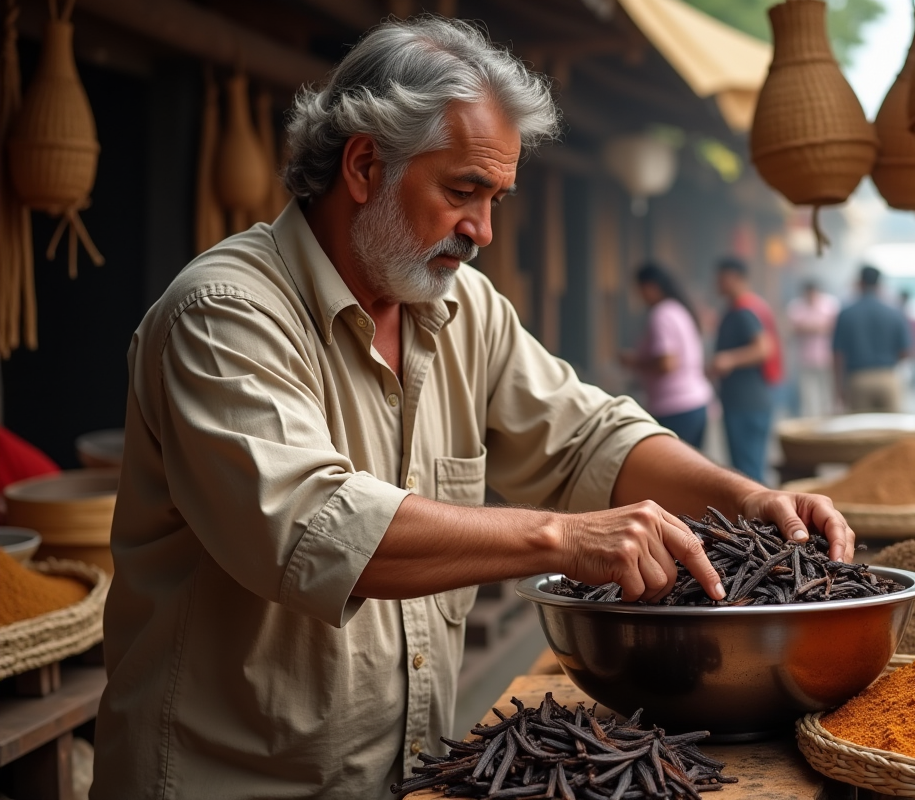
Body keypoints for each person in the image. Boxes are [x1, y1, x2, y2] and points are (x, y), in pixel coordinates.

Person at [90, 18, 854, 800]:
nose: (482, 231)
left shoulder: (462, 309)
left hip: (404, 776)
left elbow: (590, 438)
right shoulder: (223, 315)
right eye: (462, 191)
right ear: (364, 165)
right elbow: (315, 530)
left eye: (494, 198)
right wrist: (563, 537)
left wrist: (749, 499)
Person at [620, 263, 712, 448]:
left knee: (677, 473)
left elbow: (667, 363)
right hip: (696, 401)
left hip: (674, 406)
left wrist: (634, 362)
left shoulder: (661, 314)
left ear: (651, 287)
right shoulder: (679, 309)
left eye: (640, 290)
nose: (640, 296)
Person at [711, 257, 777, 482]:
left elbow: (763, 348)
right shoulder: (744, 307)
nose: (717, 283)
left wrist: (728, 359)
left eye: (722, 278)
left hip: (746, 402)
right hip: (746, 400)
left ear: (737, 279)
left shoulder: (744, 310)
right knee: (747, 469)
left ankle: (758, 518)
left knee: (748, 474)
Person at [832, 266, 911, 413]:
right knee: (891, 430)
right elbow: (905, 351)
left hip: (857, 379)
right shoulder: (895, 313)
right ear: (879, 284)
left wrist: (838, 389)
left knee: (863, 432)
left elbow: (838, 355)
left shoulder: (846, 314)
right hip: (888, 377)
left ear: (860, 283)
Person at [786, 280, 839, 417]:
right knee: (808, 397)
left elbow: (835, 328)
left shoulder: (830, 305)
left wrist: (809, 327)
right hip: (806, 359)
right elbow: (792, 328)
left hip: (827, 358)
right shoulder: (796, 306)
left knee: (827, 395)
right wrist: (818, 327)